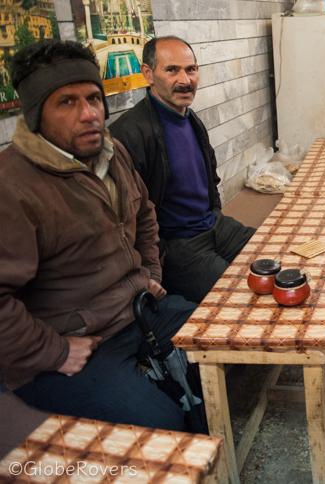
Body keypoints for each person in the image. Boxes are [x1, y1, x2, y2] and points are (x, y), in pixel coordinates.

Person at [0, 40, 196, 431]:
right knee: (164, 426)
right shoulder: (12, 185)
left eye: (93, 98)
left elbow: (145, 214)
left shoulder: (112, 152)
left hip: (137, 310)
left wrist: (150, 274)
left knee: (223, 347)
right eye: (67, 103)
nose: (89, 114)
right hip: (77, 344)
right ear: (37, 115)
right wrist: (54, 352)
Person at [110, 36, 254, 303]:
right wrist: (151, 267)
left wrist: (215, 213)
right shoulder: (128, 134)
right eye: (172, 70)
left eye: (191, 69)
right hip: (179, 245)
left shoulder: (189, 117)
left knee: (274, 253)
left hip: (214, 224)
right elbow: (128, 217)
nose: (185, 80)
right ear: (148, 74)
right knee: (239, 297)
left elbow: (210, 177)